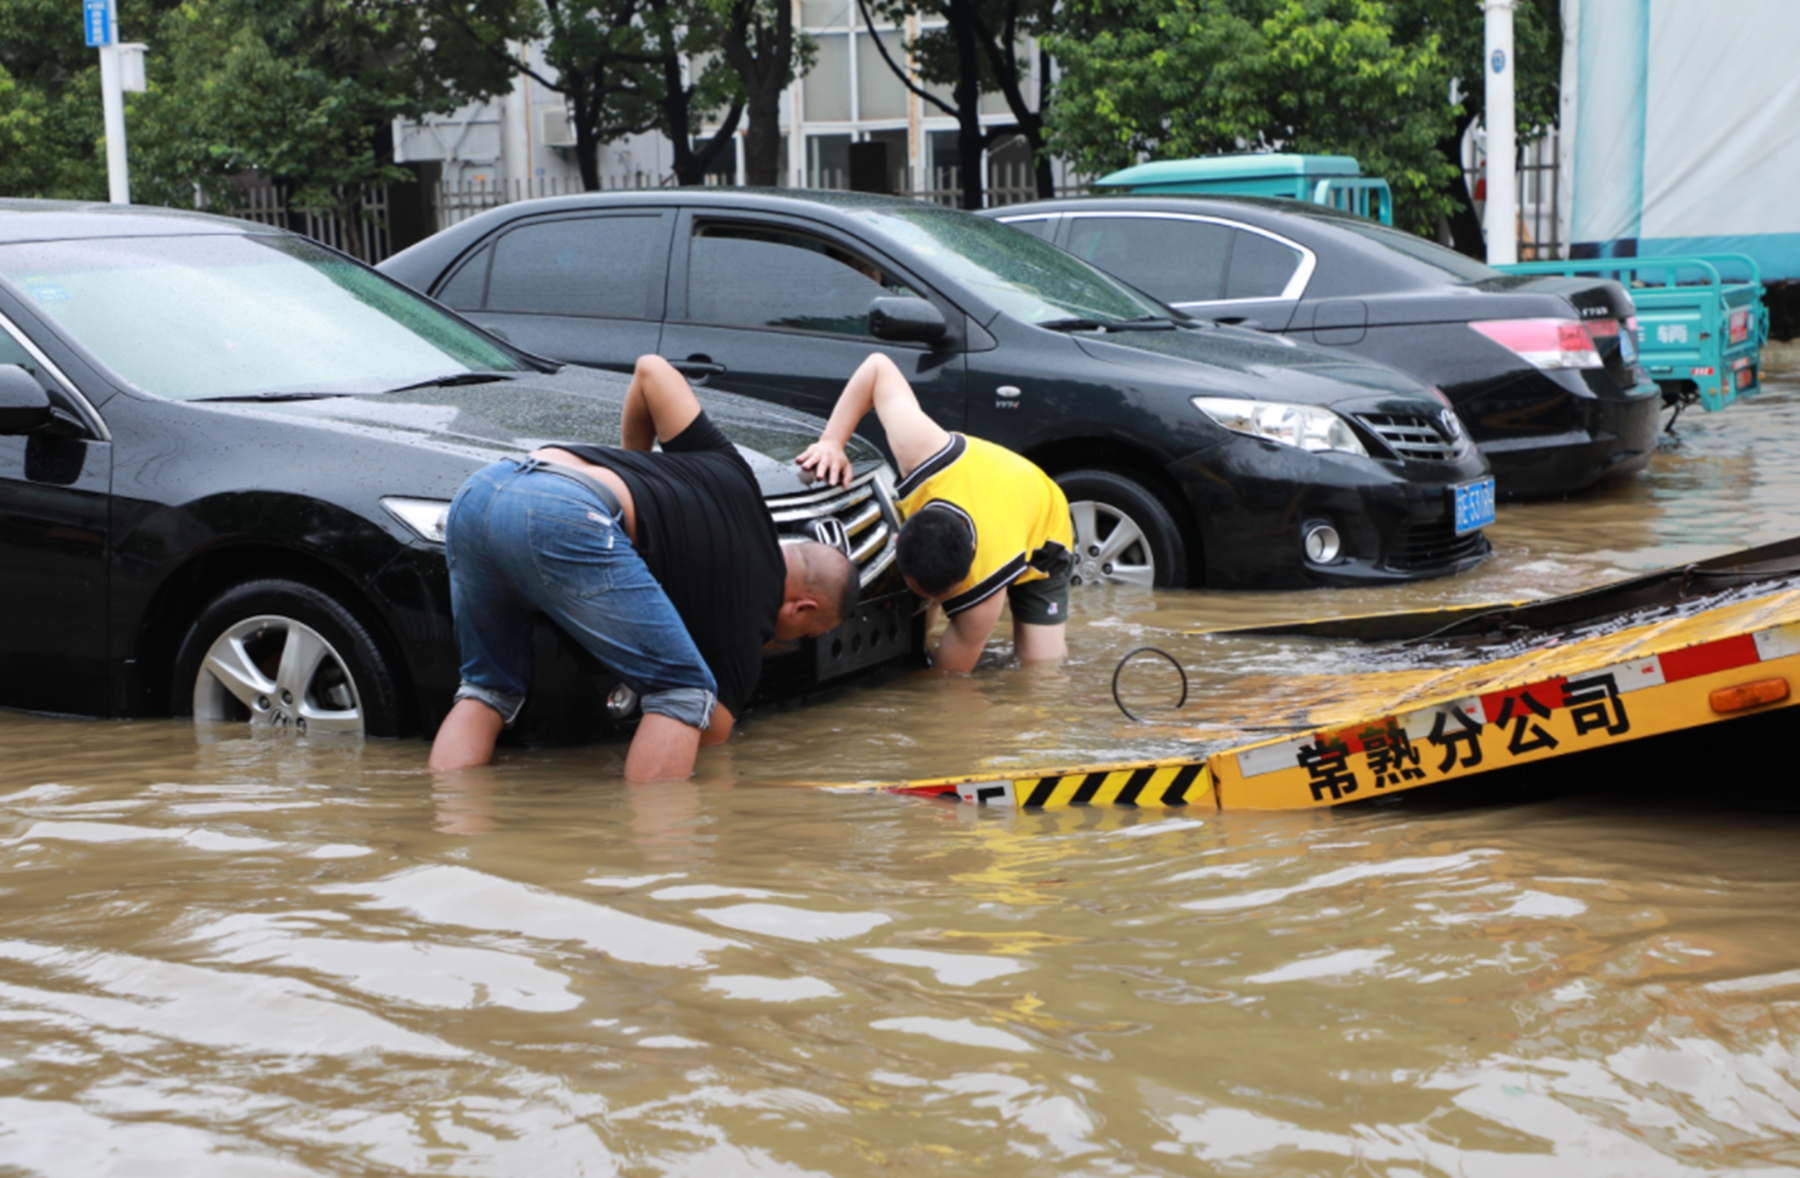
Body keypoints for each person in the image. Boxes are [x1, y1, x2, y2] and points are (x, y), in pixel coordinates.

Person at [430, 355, 857, 780]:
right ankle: (656, 843)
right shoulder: (750, 621)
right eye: (806, 633)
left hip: (481, 491)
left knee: (488, 690)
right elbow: (711, 734)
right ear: (801, 608)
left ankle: (447, 827)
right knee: (684, 694)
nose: (793, 638)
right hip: (566, 514)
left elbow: (652, 370)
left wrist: (636, 467)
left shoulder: (737, 475)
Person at [796, 352, 1071, 673]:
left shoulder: (983, 593)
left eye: (944, 596)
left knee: (1040, 668)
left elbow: (949, 681)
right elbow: (877, 367)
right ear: (898, 540)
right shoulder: (921, 449)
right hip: (984, 488)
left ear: (971, 555)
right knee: (920, 620)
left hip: (1044, 524)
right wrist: (832, 441)